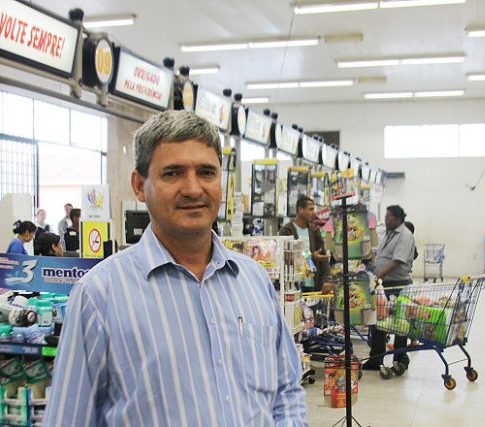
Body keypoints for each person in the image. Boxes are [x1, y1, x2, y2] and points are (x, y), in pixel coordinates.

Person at [44, 111, 307, 426]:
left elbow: (287, 390)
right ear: (140, 186)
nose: (193, 189)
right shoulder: (99, 296)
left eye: (206, 172)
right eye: (173, 173)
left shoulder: (254, 280)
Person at [362, 205, 416, 371]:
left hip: (398, 285)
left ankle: (401, 359)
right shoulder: (389, 233)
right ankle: (375, 359)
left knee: (400, 324)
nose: (385, 220)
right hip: (385, 285)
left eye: (388, 217)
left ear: (398, 218)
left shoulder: (405, 236)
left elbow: (396, 261)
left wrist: (378, 277)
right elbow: (380, 253)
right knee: (380, 322)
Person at [279, 196, 331, 292]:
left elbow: (323, 258)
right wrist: (312, 256)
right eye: (310, 209)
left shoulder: (314, 230)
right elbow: (284, 258)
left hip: (313, 284)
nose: (313, 213)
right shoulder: (286, 231)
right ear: (300, 210)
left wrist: (326, 280)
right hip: (294, 285)